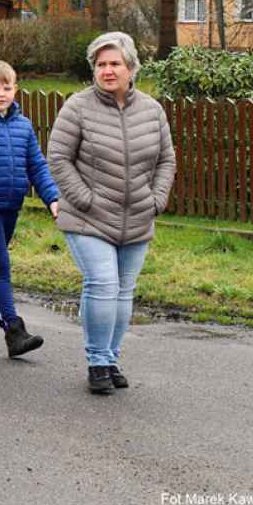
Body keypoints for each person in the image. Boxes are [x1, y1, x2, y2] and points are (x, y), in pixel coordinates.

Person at [48, 32, 176, 395]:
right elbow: (58, 158)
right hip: (88, 218)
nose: (107, 70)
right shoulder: (78, 107)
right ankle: (97, 362)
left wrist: (156, 199)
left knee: (124, 292)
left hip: (137, 215)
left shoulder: (152, 110)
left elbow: (167, 158)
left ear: (131, 67)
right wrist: (84, 199)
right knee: (103, 285)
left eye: (115, 63)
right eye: (101, 64)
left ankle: (112, 356)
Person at [0, 59, 60, 357]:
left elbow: (37, 166)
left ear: (15, 89)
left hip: (10, 207)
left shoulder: (23, 125)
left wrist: (53, 199)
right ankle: (13, 331)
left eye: (7, 87)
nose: (1, 93)